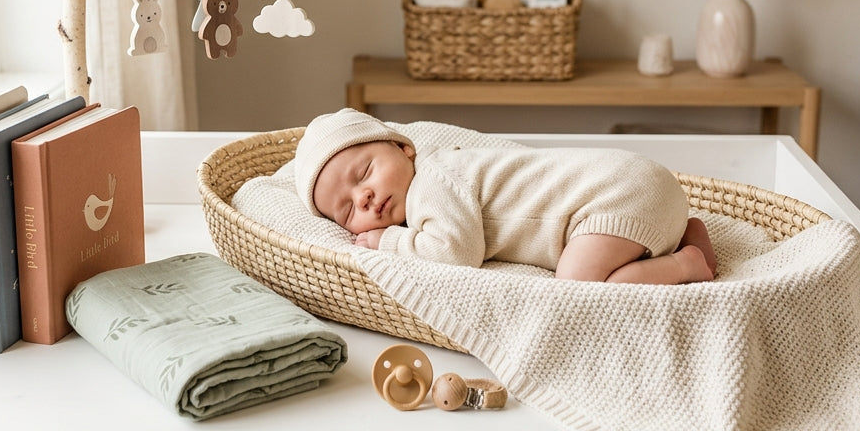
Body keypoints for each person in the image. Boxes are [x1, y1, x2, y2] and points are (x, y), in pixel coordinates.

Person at [294, 109, 716, 284]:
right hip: (641, 185)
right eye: (348, 209)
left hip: (615, 195)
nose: (364, 197)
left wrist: (389, 241)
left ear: (405, 148)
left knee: (576, 284)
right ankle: (686, 234)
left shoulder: (433, 182)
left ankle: (684, 263)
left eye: (364, 173)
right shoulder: (440, 178)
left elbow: (456, 253)